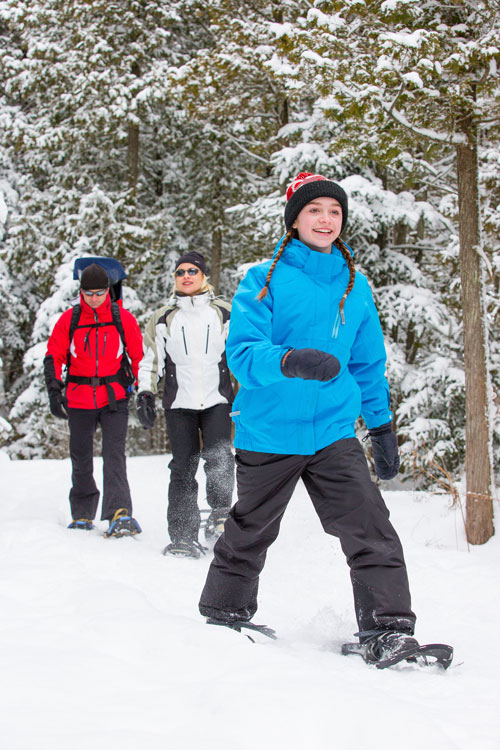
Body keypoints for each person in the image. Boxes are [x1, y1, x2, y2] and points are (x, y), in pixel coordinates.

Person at [198, 171, 420, 665]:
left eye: (335, 212)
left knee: (370, 527)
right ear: (295, 220)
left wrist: (380, 426)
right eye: (315, 210)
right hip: (269, 429)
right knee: (252, 528)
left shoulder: (356, 286)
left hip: (333, 432)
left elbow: (366, 363)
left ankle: (388, 629)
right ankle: (224, 613)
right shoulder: (264, 279)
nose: (326, 219)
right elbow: (242, 352)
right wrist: (288, 360)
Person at [136, 251, 235, 559]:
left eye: (193, 271)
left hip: (217, 399)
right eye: (181, 272)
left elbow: (243, 354)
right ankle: (182, 534)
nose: (187, 276)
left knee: (220, 459)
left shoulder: (225, 312)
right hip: (179, 403)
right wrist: (144, 393)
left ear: (204, 276)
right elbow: (151, 360)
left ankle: (220, 519)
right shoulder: (164, 317)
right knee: (183, 468)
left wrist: (253, 392)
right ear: (175, 279)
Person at [44, 262, 143, 537]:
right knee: (81, 456)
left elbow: (138, 356)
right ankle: (82, 514)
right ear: (81, 292)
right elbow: (54, 354)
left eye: (100, 292)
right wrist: (54, 390)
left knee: (114, 455)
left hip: (114, 397)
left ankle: (119, 512)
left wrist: (143, 390)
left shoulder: (122, 318)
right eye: (89, 293)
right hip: (79, 396)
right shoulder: (71, 318)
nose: (94, 298)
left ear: (108, 291)